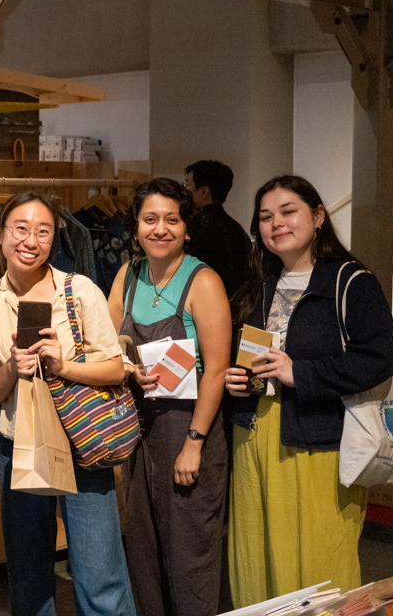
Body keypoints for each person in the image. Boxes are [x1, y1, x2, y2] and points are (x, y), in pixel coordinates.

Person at [225, 175, 393, 606]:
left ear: (318, 216)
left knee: (319, 559)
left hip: (318, 440)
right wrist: (237, 381)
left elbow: (378, 358)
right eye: (266, 217)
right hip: (253, 436)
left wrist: (300, 373)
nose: (276, 224)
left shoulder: (350, 281)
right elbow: (248, 355)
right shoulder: (258, 284)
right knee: (255, 555)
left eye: (288, 212)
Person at [0, 191, 136, 616]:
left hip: (82, 441)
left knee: (99, 573)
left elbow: (115, 369)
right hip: (18, 444)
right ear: (0, 234)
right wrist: (12, 368)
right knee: (28, 575)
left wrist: (63, 366)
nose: (31, 240)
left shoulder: (78, 290)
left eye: (43, 231)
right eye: (21, 229)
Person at [107, 177, 231, 616]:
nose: (160, 229)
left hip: (188, 428)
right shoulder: (128, 274)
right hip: (139, 430)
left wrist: (194, 444)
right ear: (136, 226)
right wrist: (128, 368)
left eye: (172, 220)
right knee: (144, 550)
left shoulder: (204, 281)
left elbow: (216, 369)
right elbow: (109, 345)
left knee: (189, 555)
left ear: (187, 228)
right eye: (150, 219)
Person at [184, 160, 252, 300]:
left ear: (204, 191)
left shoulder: (193, 227)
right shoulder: (238, 230)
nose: (184, 190)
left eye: (187, 184)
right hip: (236, 306)